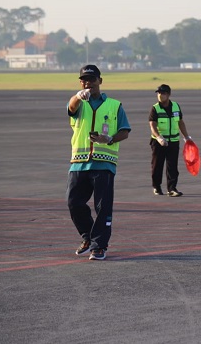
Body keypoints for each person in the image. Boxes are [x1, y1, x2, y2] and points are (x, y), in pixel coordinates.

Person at [66, 65, 131, 260]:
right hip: (79, 163)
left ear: (100, 81)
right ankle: (87, 236)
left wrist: (108, 139)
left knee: (103, 207)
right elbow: (71, 107)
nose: (88, 84)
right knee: (73, 203)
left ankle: (99, 246)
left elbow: (125, 131)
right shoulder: (79, 103)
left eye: (91, 80)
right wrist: (78, 96)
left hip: (104, 163)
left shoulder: (114, 105)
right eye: (84, 80)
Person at [149, 84, 193, 197]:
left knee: (172, 166)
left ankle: (172, 188)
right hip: (159, 142)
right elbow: (152, 125)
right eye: (158, 93)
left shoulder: (176, 107)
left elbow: (180, 122)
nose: (160, 95)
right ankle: (157, 186)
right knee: (157, 165)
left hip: (173, 141)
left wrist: (187, 137)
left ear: (168, 94)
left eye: (162, 93)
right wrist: (159, 137)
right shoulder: (155, 108)